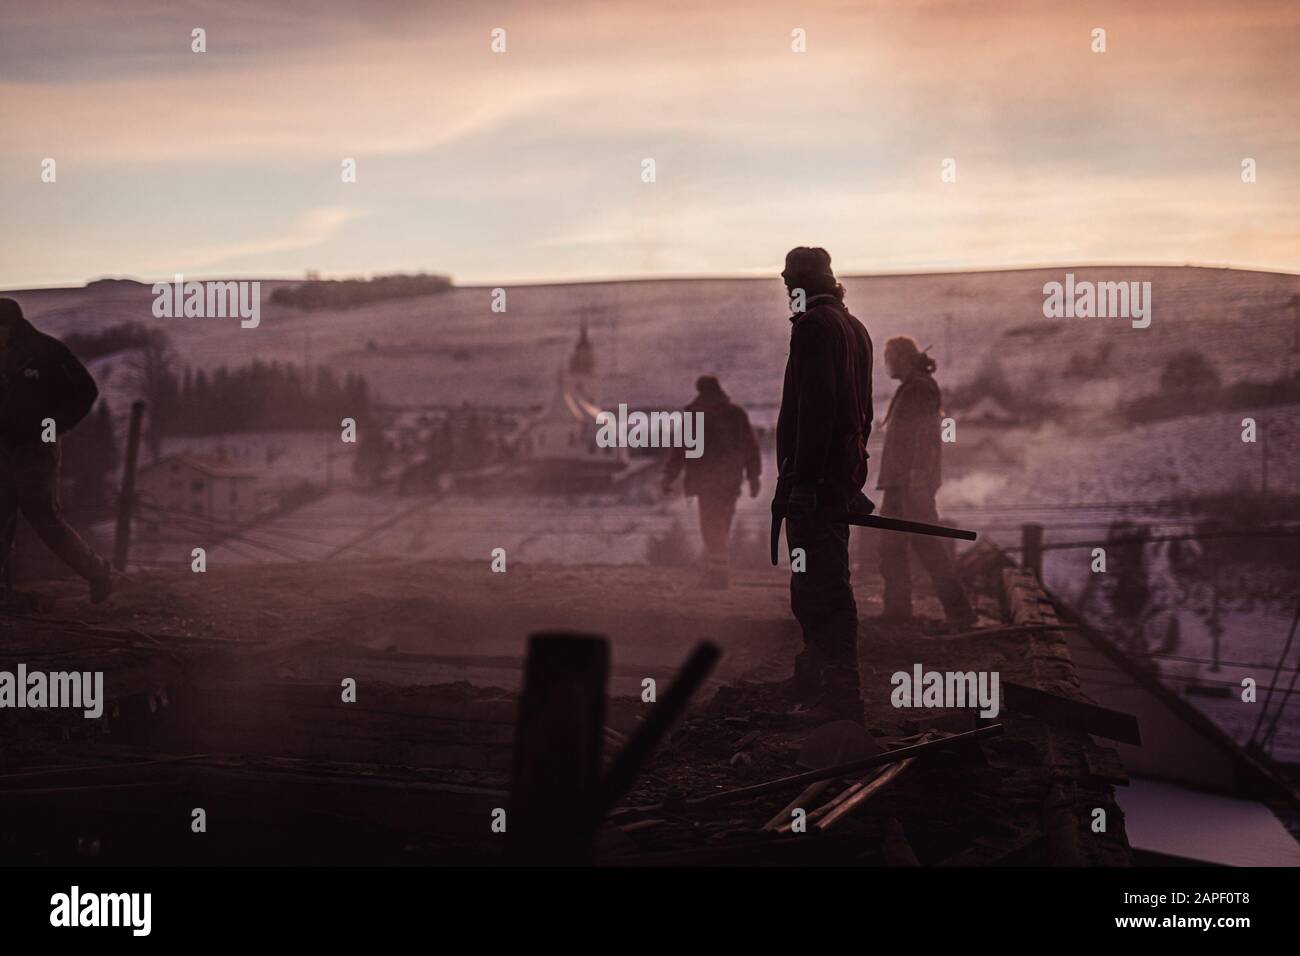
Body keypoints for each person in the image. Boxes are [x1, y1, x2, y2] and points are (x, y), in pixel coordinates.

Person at [774, 247, 874, 721]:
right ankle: (815, 677)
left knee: (821, 583)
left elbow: (814, 412)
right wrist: (850, 473)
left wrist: (805, 482)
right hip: (836, 478)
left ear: (797, 282)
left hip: (815, 484)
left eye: (788, 279)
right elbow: (863, 414)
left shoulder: (814, 328)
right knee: (817, 577)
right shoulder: (854, 327)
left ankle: (839, 694)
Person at [0, 298, 112, 604]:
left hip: (35, 451)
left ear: (11, 327)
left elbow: (86, 391)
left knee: (45, 520)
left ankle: (98, 572)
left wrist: (50, 429)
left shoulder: (47, 352)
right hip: (3, 448)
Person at [876, 335, 973, 627]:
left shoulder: (918, 388)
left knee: (926, 544)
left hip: (911, 482)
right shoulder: (914, 387)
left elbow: (925, 435)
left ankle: (960, 613)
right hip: (898, 481)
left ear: (903, 358)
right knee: (890, 544)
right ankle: (897, 610)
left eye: (889, 356)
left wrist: (918, 476)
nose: (886, 363)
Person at [661, 375, 760, 588]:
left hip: (706, 481)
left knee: (711, 527)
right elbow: (751, 446)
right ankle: (715, 573)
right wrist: (753, 477)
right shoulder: (736, 414)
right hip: (731, 481)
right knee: (722, 526)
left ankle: (717, 577)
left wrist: (669, 476)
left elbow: (681, 451)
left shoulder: (696, 416)